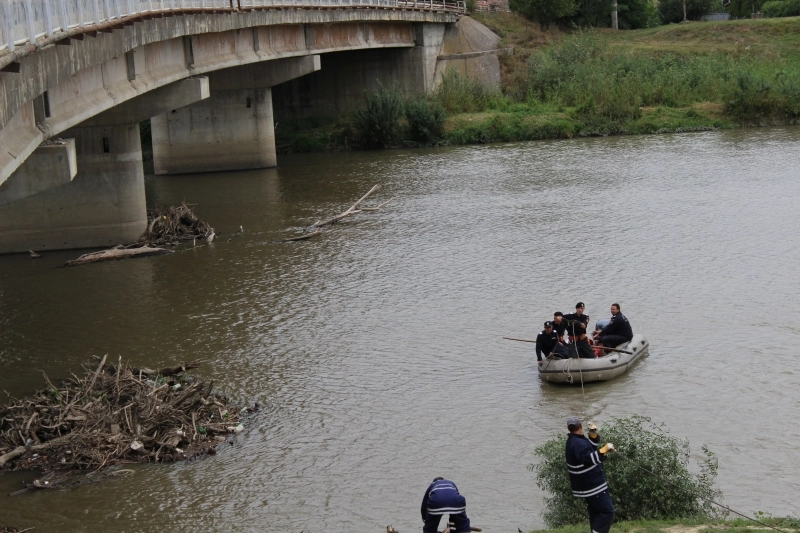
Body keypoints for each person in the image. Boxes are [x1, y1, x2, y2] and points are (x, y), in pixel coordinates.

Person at [565, 417, 615, 533]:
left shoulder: (575, 440)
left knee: (596, 512)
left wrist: (593, 434)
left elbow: (590, 447)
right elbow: (588, 458)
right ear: (580, 426)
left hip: (587, 485)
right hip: (592, 485)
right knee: (607, 512)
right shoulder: (577, 443)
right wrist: (604, 450)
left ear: (569, 428)